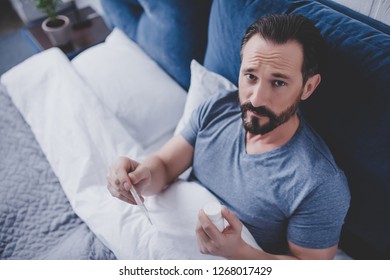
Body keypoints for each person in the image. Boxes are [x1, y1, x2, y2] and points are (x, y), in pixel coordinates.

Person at [106, 14, 350, 260]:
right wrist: (139, 177)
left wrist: (240, 252)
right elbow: (166, 165)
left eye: (277, 82)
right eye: (251, 76)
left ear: (308, 87)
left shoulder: (320, 183)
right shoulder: (216, 108)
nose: (256, 98)